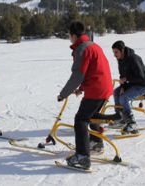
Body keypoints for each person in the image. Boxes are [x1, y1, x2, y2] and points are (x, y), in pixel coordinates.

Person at [57, 21, 113, 169]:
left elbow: (77, 75)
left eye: (69, 35)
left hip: (97, 89)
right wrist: (82, 87)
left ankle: (82, 156)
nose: (69, 38)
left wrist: (63, 94)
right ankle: (95, 142)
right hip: (104, 87)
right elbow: (92, 70)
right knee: (91, 116)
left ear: (74, 35)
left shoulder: (82, 49)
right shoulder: (92, 45)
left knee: (80, 120)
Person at [112, 40, 145, 134]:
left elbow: (140, 76)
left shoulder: (134, 59)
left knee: (124, 98)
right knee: (116, 92)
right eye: (113, 52)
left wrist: (126, 79)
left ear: (122, 50)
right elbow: (122, 75)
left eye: (116, 52)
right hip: (132, 83)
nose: (114, 54)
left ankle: (132, 123)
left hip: (142, 85)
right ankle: (121, 118)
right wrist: (123, 87)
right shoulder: (120, 60)